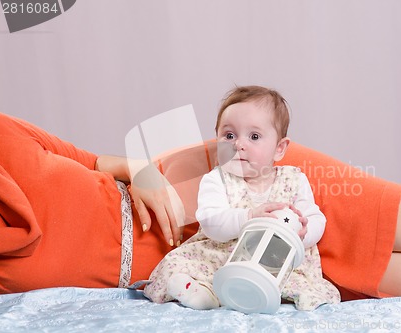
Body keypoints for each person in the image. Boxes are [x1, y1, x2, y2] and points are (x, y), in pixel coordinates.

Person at [0, 84, 401, 301]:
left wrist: (139, 170)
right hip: (213, 263)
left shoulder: (3, 133)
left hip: (217, 178)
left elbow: (95, 161)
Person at [143, 86, 341, 310]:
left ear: (279, 148)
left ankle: (286, 296)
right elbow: (211, 222)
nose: (238, 144)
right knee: (178, 265)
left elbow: (316, 218)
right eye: (229, 135)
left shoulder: (293, 179)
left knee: (301, 283)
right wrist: (250, 216)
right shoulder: (216, 179)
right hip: (222, 256)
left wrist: (303, 232)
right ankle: (204, 294)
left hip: (275, 262)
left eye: (254, 136)